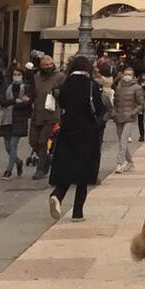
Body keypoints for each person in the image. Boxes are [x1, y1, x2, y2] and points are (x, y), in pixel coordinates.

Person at [48, 55, 107, 221]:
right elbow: (100, 108)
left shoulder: (65, 85)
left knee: (67, 166)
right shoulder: (91, 86)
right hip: (87, 131)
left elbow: (63, 104)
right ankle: (77, 212)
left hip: (67, 129)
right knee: (84, 172)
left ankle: (57, 195)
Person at [28, 57, 63, 180]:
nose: (47, 67)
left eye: (49, 64)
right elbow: (33, 92)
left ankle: (41, 168)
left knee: (42, 141)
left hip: (51, 114)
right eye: (45, 65)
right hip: (37, 113)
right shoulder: (37, 77)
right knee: (33, 141)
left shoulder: (60, 77)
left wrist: (57, 92)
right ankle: (46, 158)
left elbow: (64, 93)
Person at [0, 63, 30, 176]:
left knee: (13, 145)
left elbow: (27, 103)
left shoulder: (26, 87)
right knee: (7, 147)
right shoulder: (7, 86)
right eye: (14, 74)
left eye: (19, 74)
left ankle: (9, 170)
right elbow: (2, 102)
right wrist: (16, 101)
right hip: (7, 119)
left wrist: (17, 102)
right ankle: (18, 162)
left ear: (22, 75)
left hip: (19, 119)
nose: (16, 76)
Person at [111, 65, 143, 173]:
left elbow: (141, 104)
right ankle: (130, 161)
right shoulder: (119, 87)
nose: (127, 76)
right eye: (126, 74)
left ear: (133, 76)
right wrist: (114, 113)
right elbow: (115, 102)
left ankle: (120, 163)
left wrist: (134, 112)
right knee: (122, 141)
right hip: (119, 117)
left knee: (124, 140)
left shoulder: (137, 88)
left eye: (129, 74)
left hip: (130, 117)